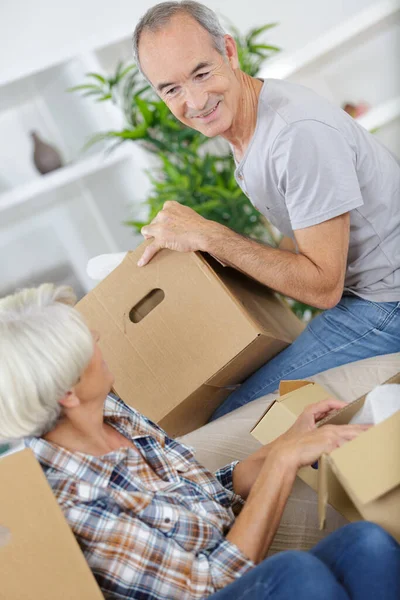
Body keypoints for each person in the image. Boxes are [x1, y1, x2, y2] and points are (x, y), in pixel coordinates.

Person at [0, 283, 399, 600]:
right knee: (297, 574)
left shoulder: (111, 413)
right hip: (211, 588)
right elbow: (210, 585)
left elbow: (206, 494)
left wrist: (285, 444)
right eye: (84, 341)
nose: (99, 334)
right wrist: (282, 464)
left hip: (233, 569)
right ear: (67, 393)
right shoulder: (71, 501)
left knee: (367, 543)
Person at [132, 1, 400, 419]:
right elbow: (299, 241)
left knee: (233, 416)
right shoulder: (250, 126)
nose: (196, 100)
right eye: (172, 89)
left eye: (202, 73)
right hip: (362, 294)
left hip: (386, 302)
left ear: (229, 51)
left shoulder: (295, 136)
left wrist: (210, 234)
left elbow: (323, 288)